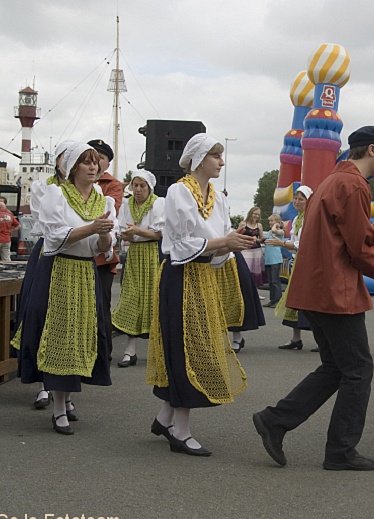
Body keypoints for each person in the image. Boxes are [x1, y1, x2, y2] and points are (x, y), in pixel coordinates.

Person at [253, 125, 374, 471]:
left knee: (336, 367)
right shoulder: (354, 185)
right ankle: (339, 450)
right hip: (335, 291)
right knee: (358, 369)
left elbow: (352, 233)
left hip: (316, 288)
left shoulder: (333, 180)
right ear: (371, 149)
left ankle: (276, 420)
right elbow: (357, 246)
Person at [146, 133, 255, 457]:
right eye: (215, 155)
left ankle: (165, 418)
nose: (221, 161)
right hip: (180, 276)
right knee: (186, 348)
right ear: (198, 158)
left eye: (220, 156)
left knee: (199, 344)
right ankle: (180, 429)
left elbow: (219, 244)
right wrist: (225, 243)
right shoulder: (179, 192)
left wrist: (233, 243)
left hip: (204, 275)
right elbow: (178, 245)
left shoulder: (218, 197)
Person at [16, 143, 117, 435]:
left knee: (83, 333)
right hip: (60, 269)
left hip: (86, 271)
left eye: (96, 162)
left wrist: (105, 237)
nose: (93, 167)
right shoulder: (56, 194)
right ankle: (58, 407)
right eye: (86, 163)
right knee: (62, 334)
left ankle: (68, 398)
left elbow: (104, 247)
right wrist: (93, 228)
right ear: (72, 168)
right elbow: (55, 236)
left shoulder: (102, 198)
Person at [111, 170, 164, 368]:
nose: (138, 190)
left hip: (152, 255)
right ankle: (129, 349)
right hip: (134, 254)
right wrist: (128, 235)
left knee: (153, 299)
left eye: (142, 186)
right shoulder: (127, 204)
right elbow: (124, 230)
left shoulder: (158, 203)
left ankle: (158, 350)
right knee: (132, 299)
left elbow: (159, 234)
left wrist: (137, 231)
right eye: (136, 185)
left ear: (149, 187)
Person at [267, 186, 314, 351]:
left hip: (309, 265)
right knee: (294, 301)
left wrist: (283, 244)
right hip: (297, 263)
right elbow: (295, 241)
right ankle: (296, 338)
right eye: (295, 198)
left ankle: (323, 340)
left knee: (311, 303)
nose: (297, 201)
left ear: (309, 201)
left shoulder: (312, 218)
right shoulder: (296, 219)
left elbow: (306, 244)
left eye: (301, 199)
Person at [88, 139, 123, 361]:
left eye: (101, 157)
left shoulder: (112, 185)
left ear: (107, 163)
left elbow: (109, 213)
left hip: (101, 257)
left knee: (101, 305)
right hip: (78, 253)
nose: (95, 161)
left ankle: (103, 353)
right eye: (92, 155)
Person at [237, 207, 266, 287]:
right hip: (245, 250)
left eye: (258, 214)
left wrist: (260, 240)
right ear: (250, 213)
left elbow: (261, 239)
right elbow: (237, 236)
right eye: (255, 214)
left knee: (256, 272)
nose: (256, 216)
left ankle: (255, 293)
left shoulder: (259, 225)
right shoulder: (243, 224)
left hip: (257, 251)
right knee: (246, 270)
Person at [263, 213, 285, 307]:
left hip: (275, 260)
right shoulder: (269, 232)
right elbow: (263, 238)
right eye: (269, 221)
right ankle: (272, 299)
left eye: (272, 221)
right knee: (271, 281)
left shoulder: (280, 231)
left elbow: (274, 230)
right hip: (268, 260)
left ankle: (278, 300)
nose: (270, 222)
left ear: (277, 222)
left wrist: (276, 225)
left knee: (275, 281)